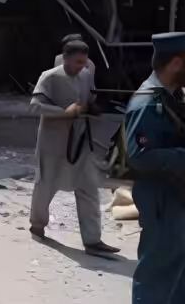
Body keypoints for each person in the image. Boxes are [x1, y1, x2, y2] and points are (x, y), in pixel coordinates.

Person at [126, 32, 185, 304]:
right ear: (177, 63)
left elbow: (178, 136)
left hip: (181, 201)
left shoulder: (172, 97)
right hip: (163, 204)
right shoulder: (149, 103)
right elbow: (139, 155)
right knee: (157, 281)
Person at [28, 40, 118, 255]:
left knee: (88, 187)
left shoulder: (86, 75)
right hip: (53, 142)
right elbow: (35, 106)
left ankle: (93, 240)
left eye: (84, 62)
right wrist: (64, 112)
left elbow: (88, 99)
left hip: (79, 141)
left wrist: (92, 108)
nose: (81, 66)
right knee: (46, 184)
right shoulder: (50, 76)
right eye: (77, 62)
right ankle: (38, 224)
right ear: (66, 58)